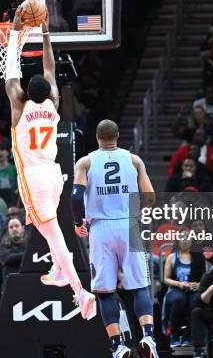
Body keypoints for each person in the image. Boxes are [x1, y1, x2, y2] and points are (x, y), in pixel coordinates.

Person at [4, 8, 96, 318]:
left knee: (53, 235)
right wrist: (44, 34)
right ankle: (59, 269)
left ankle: (80, 292)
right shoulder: (54, 102)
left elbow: (12, 68)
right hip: (54, 175)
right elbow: (49, 68)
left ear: (26, 93)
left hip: (33, 177)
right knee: (49, 231)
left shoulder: (19, 106)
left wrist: (16, 31)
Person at [72, 119, 157, 357]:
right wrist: (142, 212)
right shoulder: (134, 160)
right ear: (118, 135)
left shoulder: (85, 162)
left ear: (97, 137)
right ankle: (148, 337)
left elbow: (76, 198)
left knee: (105, 291)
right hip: (128, 223)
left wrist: (78, 223)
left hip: (100, 228)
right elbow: (149, 195)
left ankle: (118, 345)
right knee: (140, 285)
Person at [162, 227, 199, 348]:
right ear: (178, 239)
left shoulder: (198, 257)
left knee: (195, 301)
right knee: (179, 299)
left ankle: (189, 335)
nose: (185, 240)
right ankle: (175, 335)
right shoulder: (172, 257)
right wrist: (179, 284)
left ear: (192, 240)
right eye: (182, 237)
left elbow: (205, 278)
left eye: (188, 237)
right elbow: (166, 279)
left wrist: (198, 284)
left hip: (193, 290)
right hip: (175, 289)